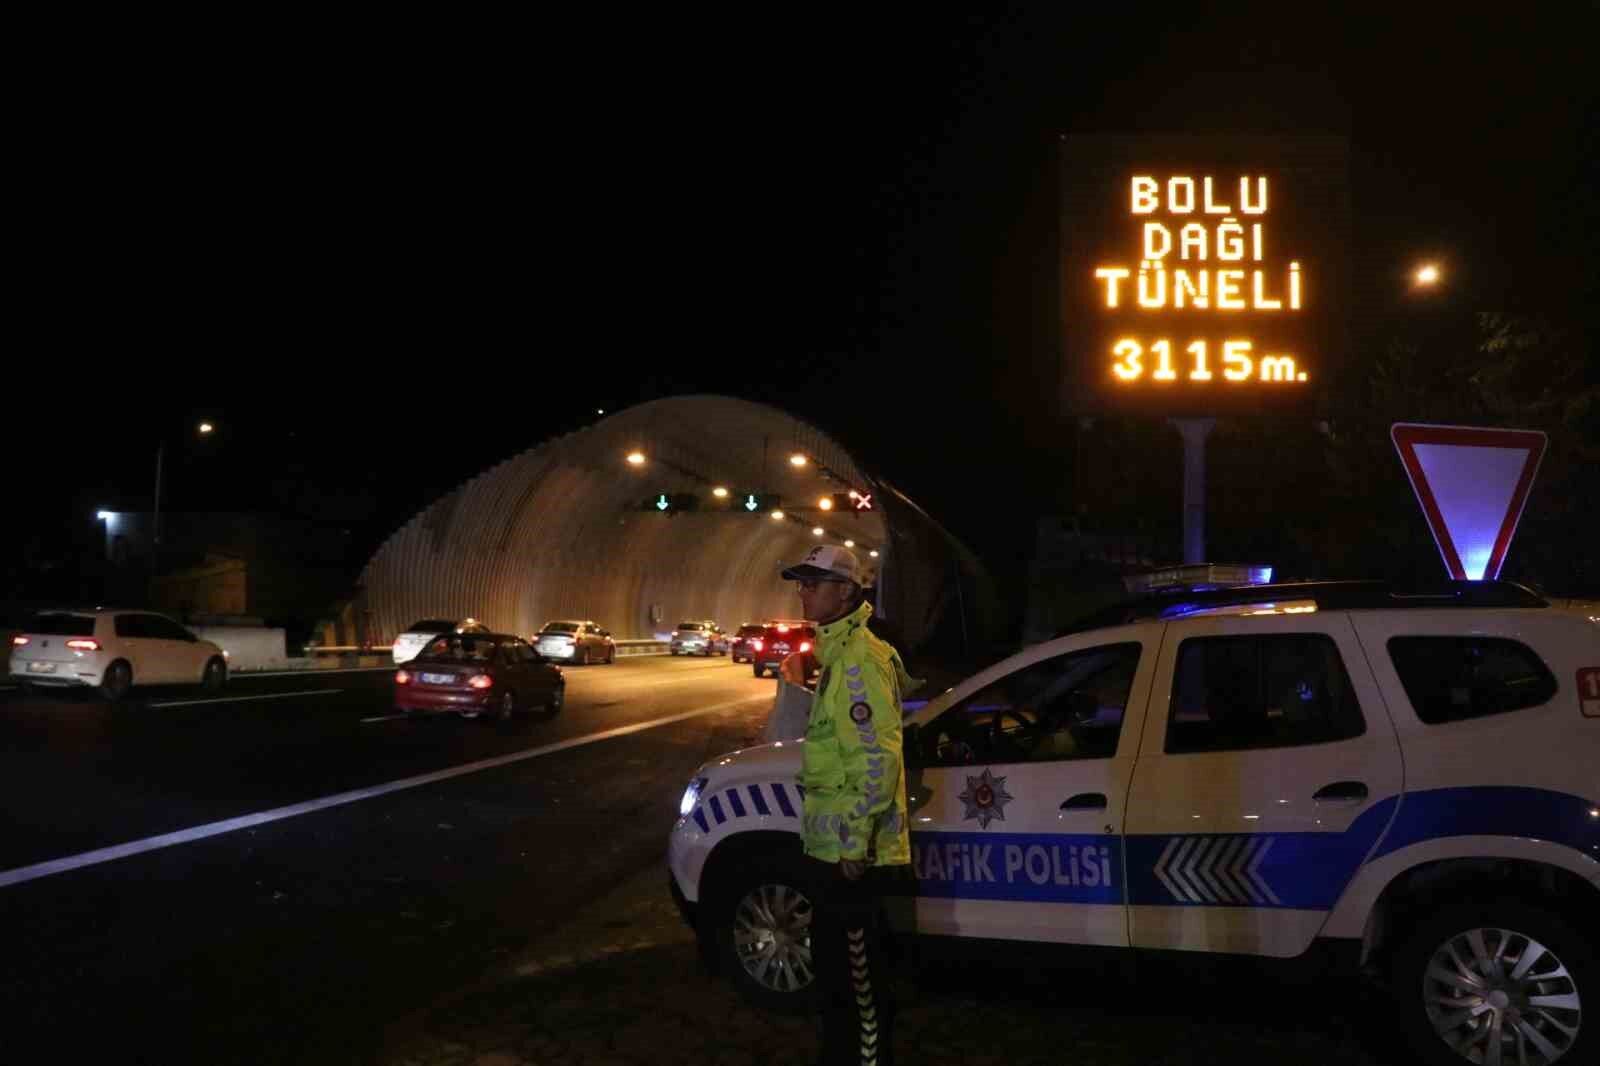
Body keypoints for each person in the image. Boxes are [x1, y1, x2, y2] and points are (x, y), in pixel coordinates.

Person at [780, 545, 919, 1066]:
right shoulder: (837, 653)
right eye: (801, 583)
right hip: (829, 853)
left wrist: (854, 845)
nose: (803, 592)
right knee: (836, 977)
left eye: (812, 584)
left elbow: (878, 763)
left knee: (861, 988)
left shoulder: (860, 659)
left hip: (850, 861)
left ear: (844, 592)